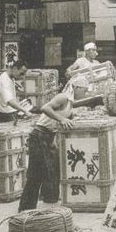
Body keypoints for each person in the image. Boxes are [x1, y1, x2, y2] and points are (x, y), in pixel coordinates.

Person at [18, 76, 90, 212]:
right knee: (35, 173)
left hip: (48, 136)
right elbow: (46, 108)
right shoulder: (63, 97)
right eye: (84, 91)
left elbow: (66, 118)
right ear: (77, 88)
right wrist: (62, 119)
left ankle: (47, 201)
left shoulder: (70, 103)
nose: (84, 94)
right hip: (39, 135)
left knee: (50, 170)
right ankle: (25, 209)